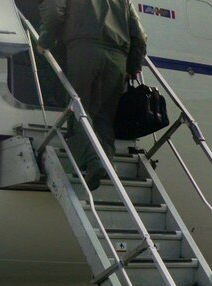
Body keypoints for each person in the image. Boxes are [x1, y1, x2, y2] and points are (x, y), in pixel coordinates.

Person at [37, 0, 147, 190]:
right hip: (117, 59)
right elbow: (140, 37)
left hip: (85, 49)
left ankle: (93, 162)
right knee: (104, 115)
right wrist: (132, 67)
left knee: (79, 108)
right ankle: (106, 163)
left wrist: (44, 41)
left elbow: (55, 11)